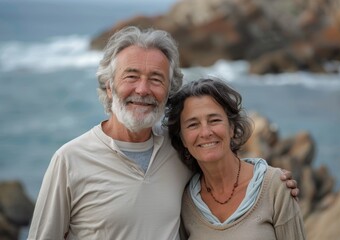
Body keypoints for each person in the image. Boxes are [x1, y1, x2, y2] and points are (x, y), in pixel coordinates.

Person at [28, 26, 299, 240]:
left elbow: (219, 162)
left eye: (156, 79)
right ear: (109, 87)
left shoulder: (179, 149)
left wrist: (269, 178)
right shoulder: (69, 160)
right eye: (131, 76)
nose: (143, 90)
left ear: (168, 91)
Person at [165, 77, 306, 239]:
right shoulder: (186, 203)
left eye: (214, 120)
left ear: (232, 128)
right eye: (193, 124)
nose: (206, 132)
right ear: (182, 138)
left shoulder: (275, 186)